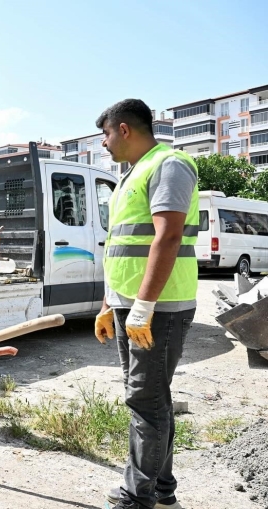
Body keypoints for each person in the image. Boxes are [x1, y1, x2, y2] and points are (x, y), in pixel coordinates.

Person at [94, 99, 198, 509]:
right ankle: (161, 486)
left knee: (145, 399)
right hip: (130, 304)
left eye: (105, 134)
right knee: (152, 397)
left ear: (123, 130)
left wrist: (143, 305)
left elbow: (168, 237)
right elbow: (121, 247)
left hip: (159, 307)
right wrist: (109, 303)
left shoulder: (168, 164)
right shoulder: (129, 175)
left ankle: (137, 497)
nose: (104, 144)